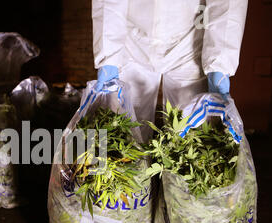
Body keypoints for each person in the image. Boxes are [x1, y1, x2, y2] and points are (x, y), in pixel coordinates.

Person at [92, 0, 248, 141]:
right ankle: (132, 171)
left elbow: (227, 4)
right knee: (124, 132)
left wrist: (220, 63)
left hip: (189, 44)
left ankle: (177, 173)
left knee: (189, 136)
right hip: (132, 41)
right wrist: (109, 56)